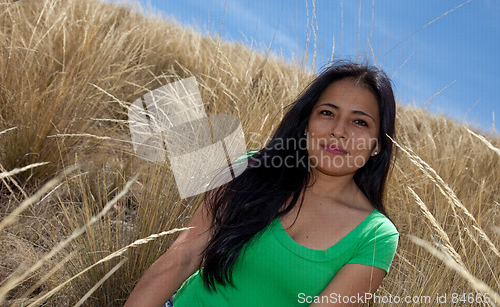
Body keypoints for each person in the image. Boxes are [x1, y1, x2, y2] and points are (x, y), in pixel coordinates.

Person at [124, 61, 399, 307]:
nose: (339, 130)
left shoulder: (375, 236)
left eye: (360, 122)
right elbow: (183, 256)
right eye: (327, 113)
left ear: (377, 145)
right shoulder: (251, 168)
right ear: (306, 125)